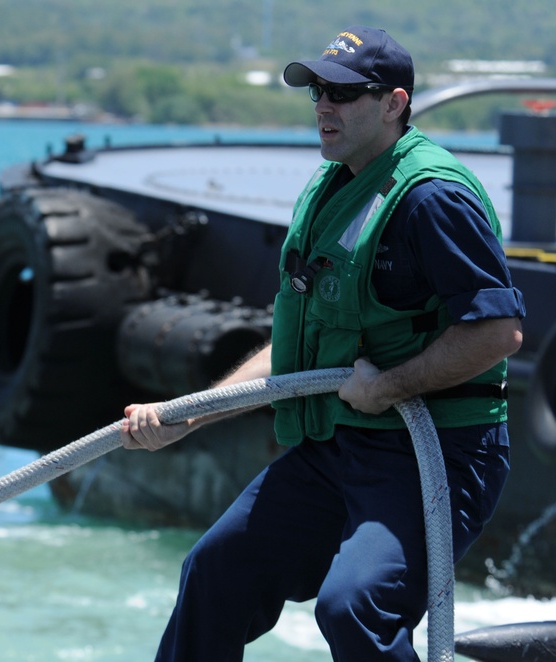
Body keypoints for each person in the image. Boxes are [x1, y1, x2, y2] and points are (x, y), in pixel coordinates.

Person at [120, 26, 526, 661]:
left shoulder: (431, 198)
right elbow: (299, 350)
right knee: (214, 573)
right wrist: (190, 415)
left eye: (342, 92)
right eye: (316, 91)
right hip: (337, 447)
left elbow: (498, 334)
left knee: (354, 607)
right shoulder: (331, 186)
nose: (322, 106)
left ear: (394, 103)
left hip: (434, 453)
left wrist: (389, 387)